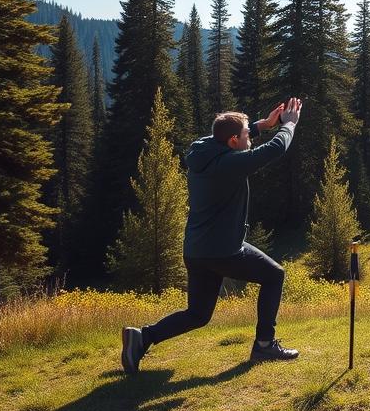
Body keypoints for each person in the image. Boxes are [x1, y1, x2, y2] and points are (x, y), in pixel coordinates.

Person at [121, 97, 303, 373]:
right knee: (274, 275)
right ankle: (265, 345)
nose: (250, 140)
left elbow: (224, 135)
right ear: (232, 141)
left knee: (198, 314)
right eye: (245, 136)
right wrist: (288, 125)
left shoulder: (202, 150)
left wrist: (260, 125)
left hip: (196, 250)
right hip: (223, 251)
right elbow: (275, 149)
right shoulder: (229, 165)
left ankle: (142, 337)